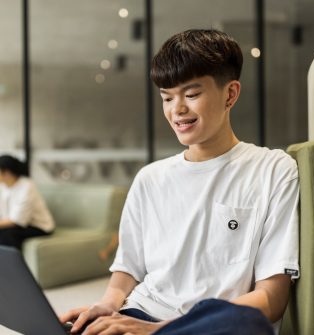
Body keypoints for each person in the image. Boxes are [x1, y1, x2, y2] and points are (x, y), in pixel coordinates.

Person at [60, 29, 299, 335]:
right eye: (167, 98)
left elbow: (271, 299)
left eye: (191, 94)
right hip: (143, 310)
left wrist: (158, 330)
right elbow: (128, 266)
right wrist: (108, 304)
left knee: (245, 323)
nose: (177, 110)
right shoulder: (150, 178)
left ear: (230, 94)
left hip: (211, 325)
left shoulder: (274, 169)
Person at [0, 155, 54, 249]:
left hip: (38, 227)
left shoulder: (27, 187)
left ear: (7, 173)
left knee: (8, 234)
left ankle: (13, 262)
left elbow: (16, 220)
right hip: (16, 225)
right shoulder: (4, 186)